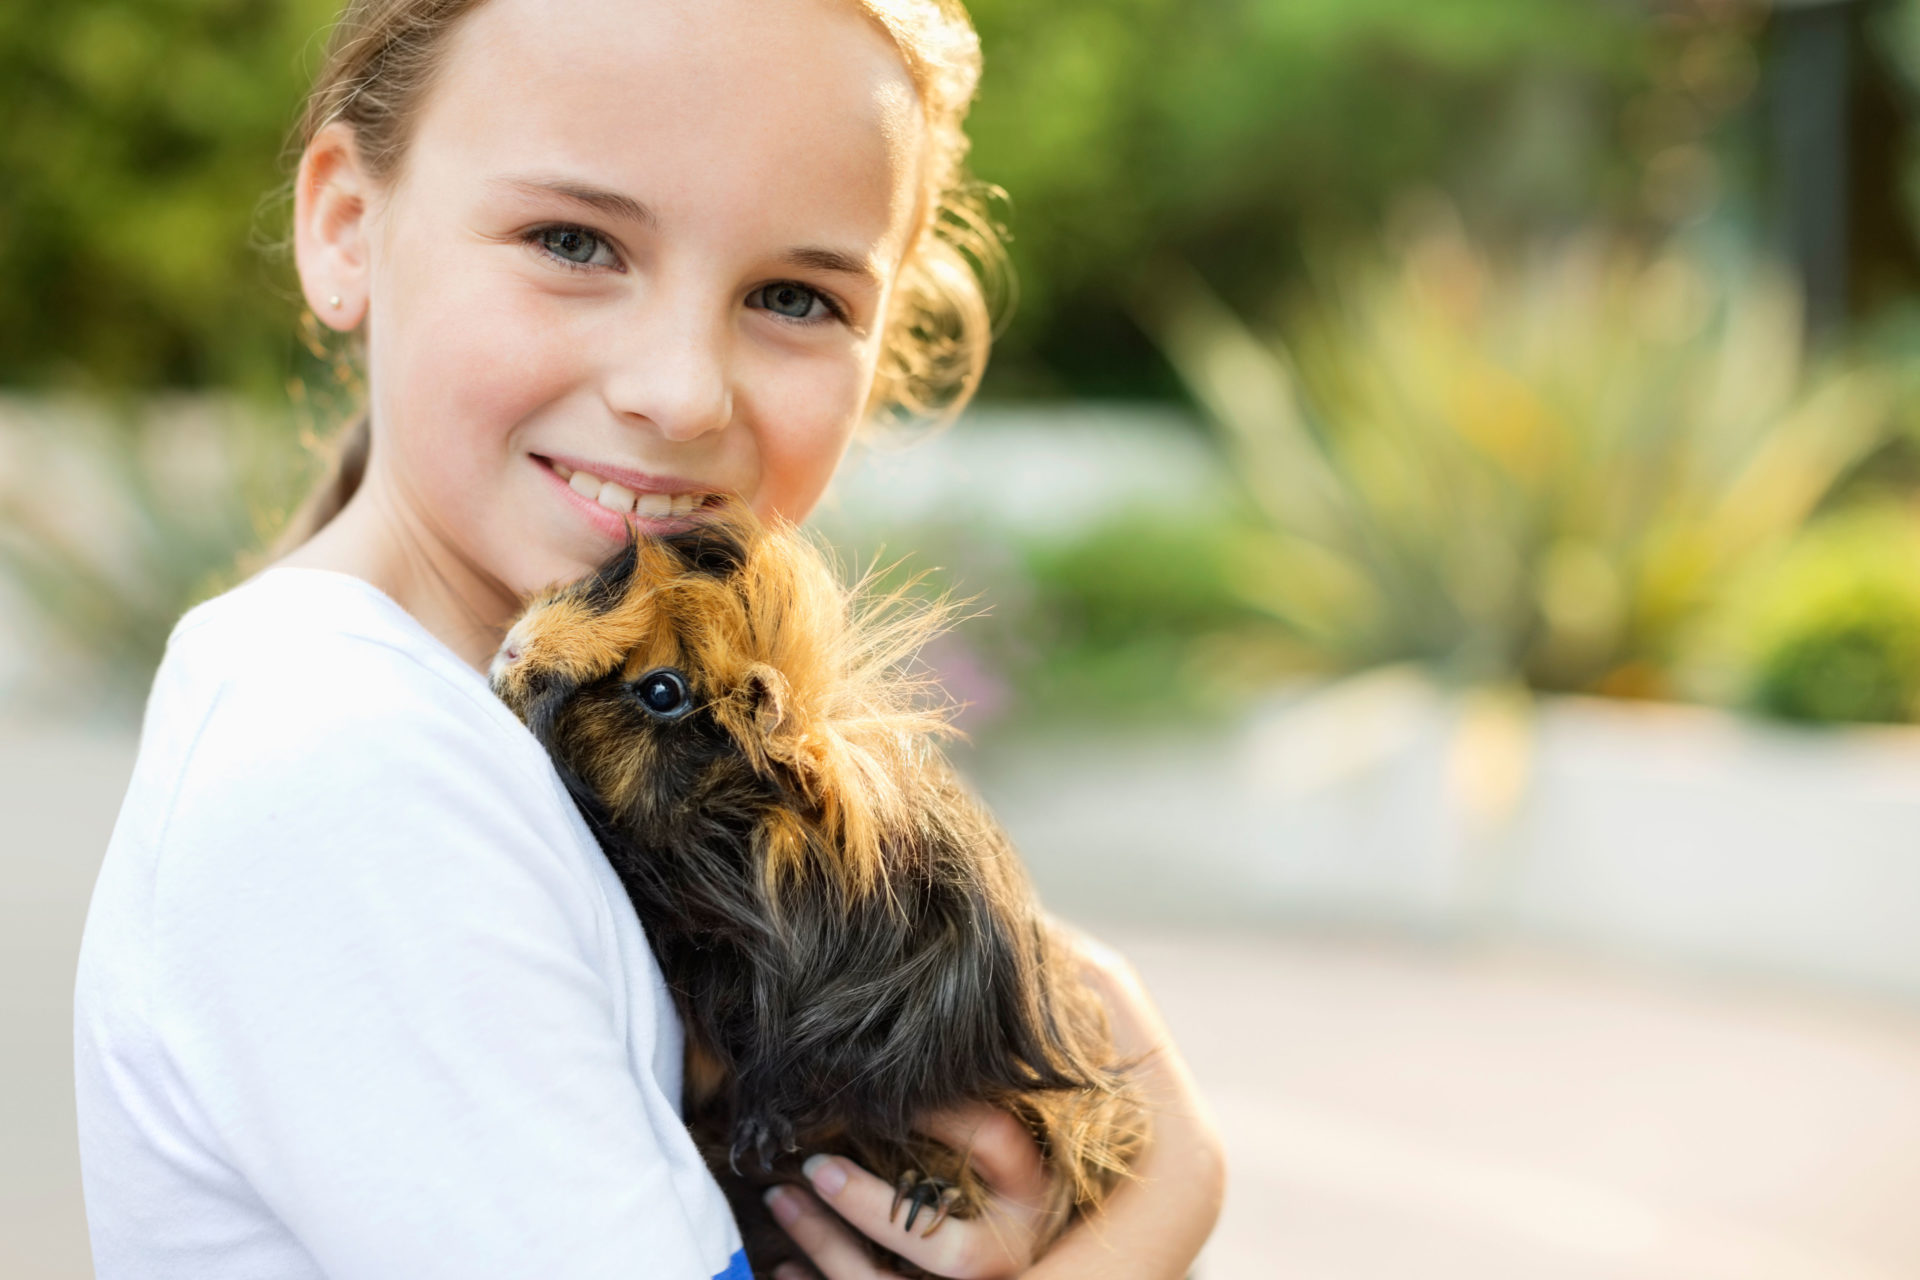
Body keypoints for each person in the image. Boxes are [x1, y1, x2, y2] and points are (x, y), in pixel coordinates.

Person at [72, 0, 1226, 1276]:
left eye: (794, 294)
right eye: (573, 240)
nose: (679, 390)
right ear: (347, 225)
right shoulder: (352, 767)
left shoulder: (545, 755)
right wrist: (1164, 1200)